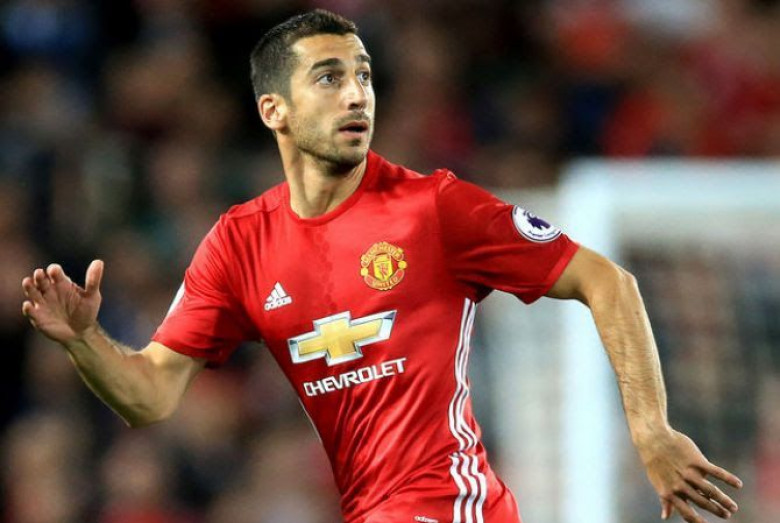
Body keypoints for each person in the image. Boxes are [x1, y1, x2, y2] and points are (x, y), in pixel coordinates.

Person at [21, 9, 742, 523]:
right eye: (328, 77)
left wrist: (651, 429)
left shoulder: (434, 207)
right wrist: (85, 340)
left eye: (363, 76)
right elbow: (149, 395)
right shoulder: (239, 243)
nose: (356, 94)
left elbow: (607, 280)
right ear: (274, 110)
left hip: (451, 505)